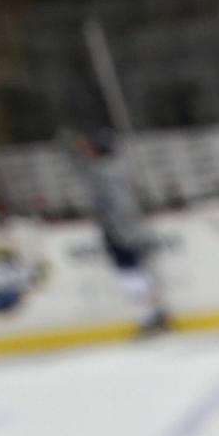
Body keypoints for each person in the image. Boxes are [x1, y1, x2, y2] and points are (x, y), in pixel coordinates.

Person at [72, 131, 164, 335]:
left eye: (90, 149)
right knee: (137, 271)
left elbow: (112, 201)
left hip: (120, 228)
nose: (87, 153)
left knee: (129, 272)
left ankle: (149, 318)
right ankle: (154, 314)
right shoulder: (117, 167)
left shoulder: (102, 170)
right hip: (126, 226)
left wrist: (117, 228)